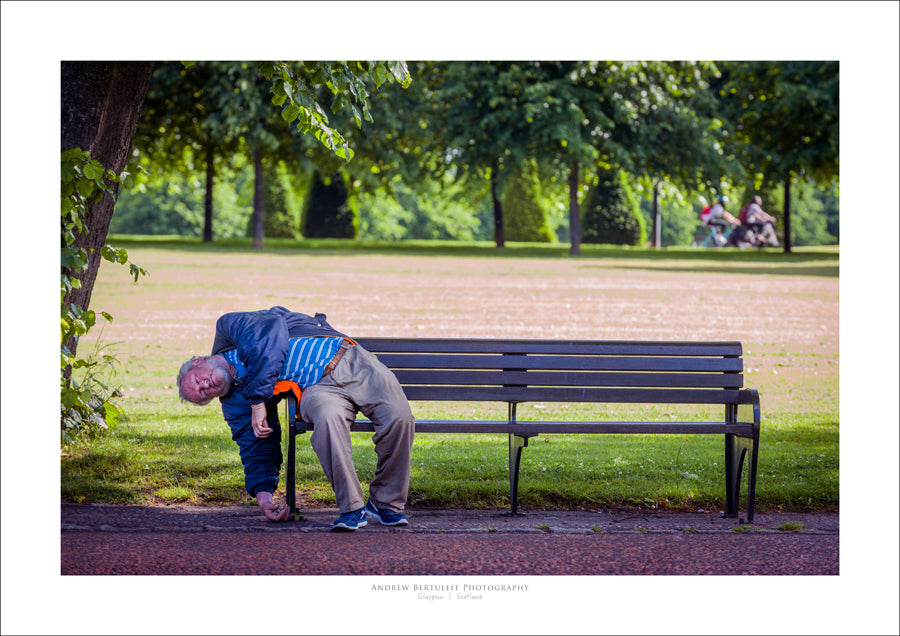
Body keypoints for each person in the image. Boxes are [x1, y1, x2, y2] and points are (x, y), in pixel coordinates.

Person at [176, 306, 415, 532]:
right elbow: (255, 444)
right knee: (328, 420)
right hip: (317, 388)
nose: (205, 386)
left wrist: (258, 400)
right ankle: (352, 509)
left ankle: (386, 503)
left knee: (399, 418)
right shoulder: (237, 400)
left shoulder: (228, 329)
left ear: (198, 361)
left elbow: (268, 333)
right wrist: (264, 497)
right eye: (202, 395)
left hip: (351, 360)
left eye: (197, 381)